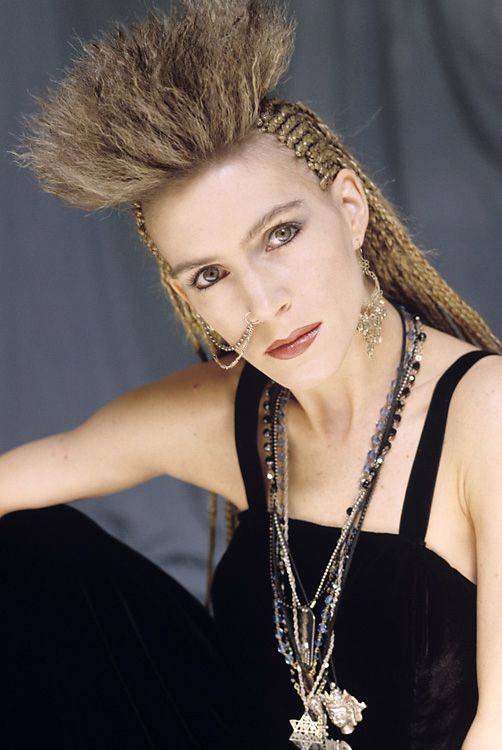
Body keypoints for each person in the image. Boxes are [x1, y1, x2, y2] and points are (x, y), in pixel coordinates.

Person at [2, 1, 501, 748]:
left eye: (281, 234)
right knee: (29, 553)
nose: (263, 305)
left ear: (350, 208)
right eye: (210, 275)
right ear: (184, 294)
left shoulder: (485, 416)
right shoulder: (228, 415)